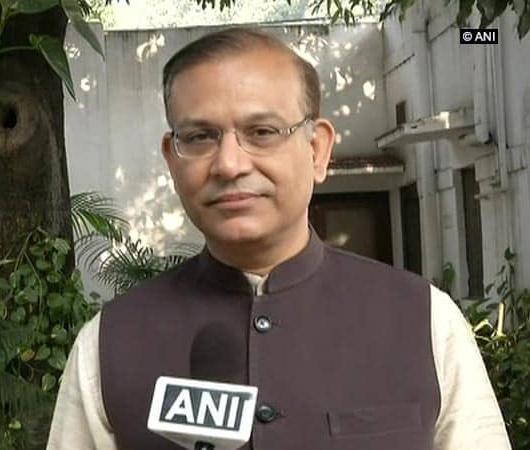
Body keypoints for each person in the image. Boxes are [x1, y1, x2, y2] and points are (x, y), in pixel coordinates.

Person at [47, 27, 511, 450]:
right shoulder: (108, 344)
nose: (229, 164)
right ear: (173, 158)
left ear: (318, 150)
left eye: (262, 132)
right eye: (201, 136)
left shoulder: (425, 322)